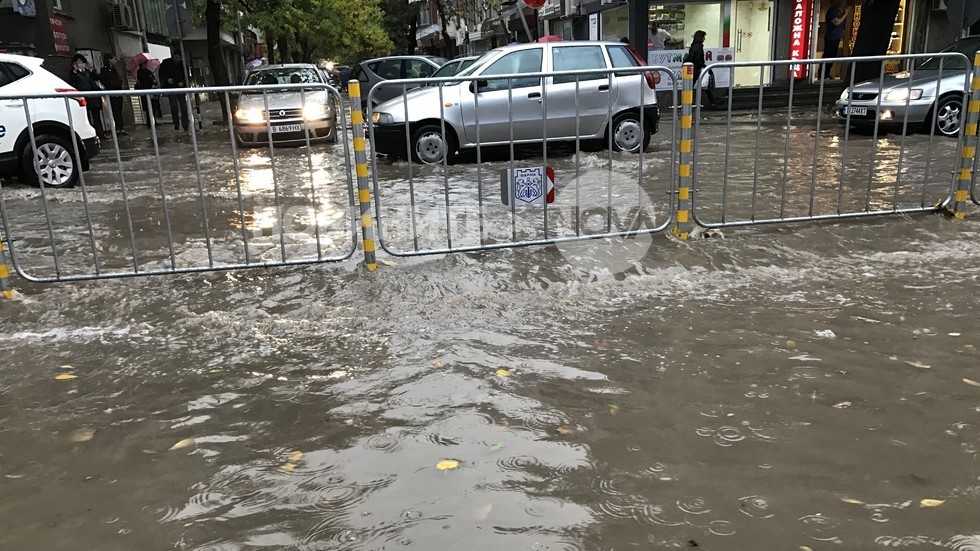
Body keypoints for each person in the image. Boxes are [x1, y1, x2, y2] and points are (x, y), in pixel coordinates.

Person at [67, 53, 106, 138]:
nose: (79, 64)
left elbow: (97, 78)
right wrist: (75, 71)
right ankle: (91, 135)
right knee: (86, 117)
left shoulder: (88, 72)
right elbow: (72, 82)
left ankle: (100, 134)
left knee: (96, 117)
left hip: (93, 97)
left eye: (81, 62)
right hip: (83, 97)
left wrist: (91, 70)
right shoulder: (73, 73)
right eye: (77, 62)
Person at [158, 51, 189, 131]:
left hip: (180, 87)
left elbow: (186, 75)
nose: (177, 59)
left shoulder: (183, 64)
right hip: (171, 87)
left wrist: (183, 82)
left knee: (184, 106)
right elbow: (161, 73)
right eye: (176, 57)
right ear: (173, 56)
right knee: (174, 105)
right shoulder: (166, 62)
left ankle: (185, 125)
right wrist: (167, 79)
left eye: (179, 58)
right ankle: (176, 124)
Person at [685, 30, 716, 108]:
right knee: (705, 84)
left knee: (692, 86)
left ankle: (687, 102)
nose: (704, 39)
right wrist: (704, 66)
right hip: (697, 69)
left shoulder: (693, 46)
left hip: (694, 68)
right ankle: (711, 100)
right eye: (704, 37)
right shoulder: (699, 47)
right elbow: (698, 58)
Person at [99, 54, 127, 136]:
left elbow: (118, 79)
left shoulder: (114, 70)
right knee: (114, 110)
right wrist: (110, 85)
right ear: (109, 60)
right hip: (111, 92)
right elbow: (103, 80)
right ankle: (117, 129)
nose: (116, 61)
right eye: (114, 59)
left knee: (119, 110)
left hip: (118, 91)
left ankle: (121, 128)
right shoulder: (104, 70)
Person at [822, 0, 849, 79]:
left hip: (836, 37)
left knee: (832, 56)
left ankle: (826, 74)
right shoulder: (832, 11)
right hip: (831, 37)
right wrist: (845, 14)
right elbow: (836, 22)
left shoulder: (837, 11)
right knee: (828, 55)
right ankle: (823, 74)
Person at [134, 60, 160, 127]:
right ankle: (149, 122)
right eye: (144, 64)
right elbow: (143, 81)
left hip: (152, 91)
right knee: (148, 107)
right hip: (145, 91)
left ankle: (154, 120)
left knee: (153, 107)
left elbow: (153, 80)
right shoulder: (139, 72)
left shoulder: (148, 71)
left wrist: (154, 82)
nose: (146, 65)